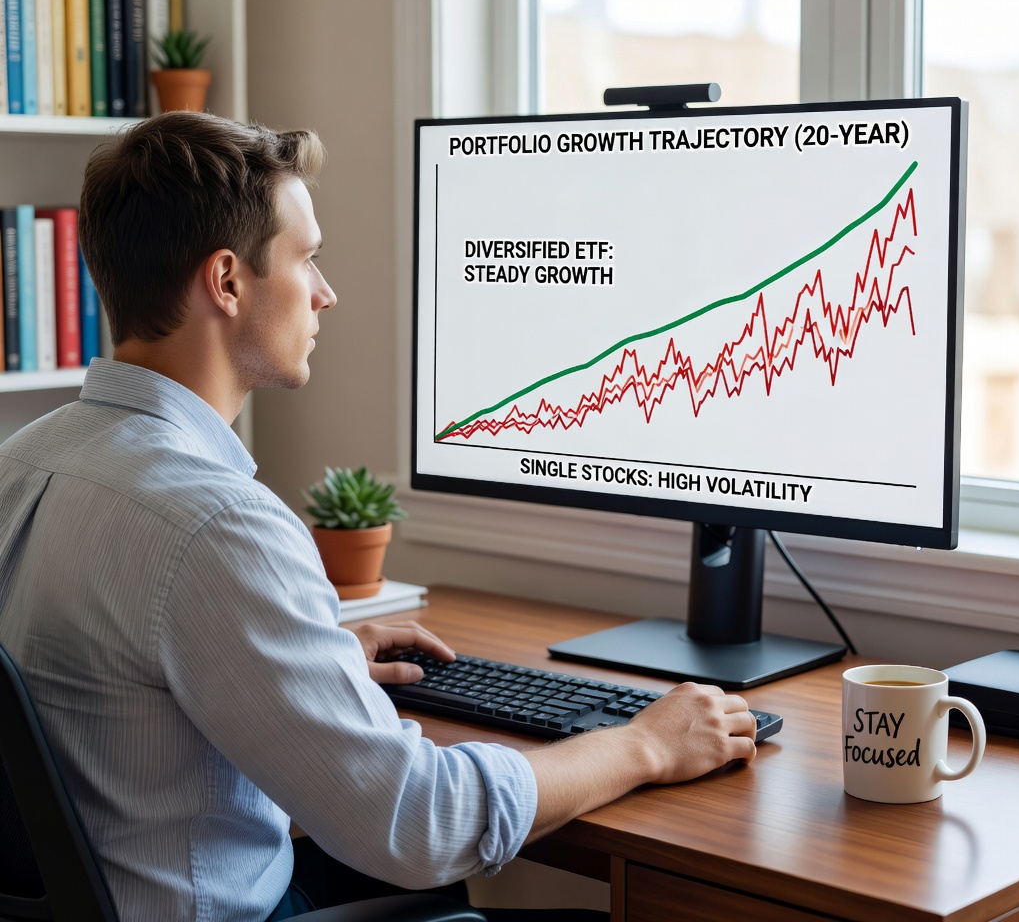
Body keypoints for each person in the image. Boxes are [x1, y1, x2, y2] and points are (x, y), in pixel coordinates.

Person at [0, 112, 757, 922]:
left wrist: (305, 665)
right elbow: (419, 824)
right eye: (306, 258)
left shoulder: (21, 462)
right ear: (226, 282)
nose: (326, 293)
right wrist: (643, 744)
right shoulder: (216, 525)